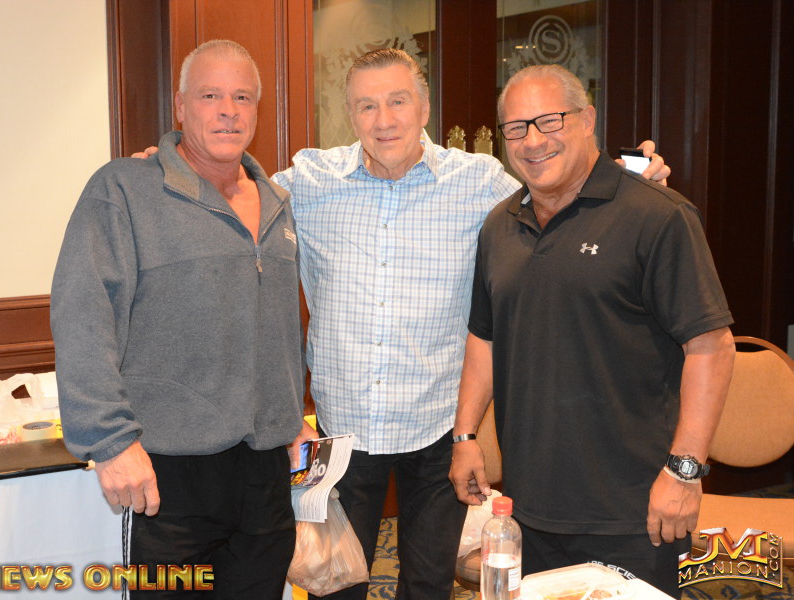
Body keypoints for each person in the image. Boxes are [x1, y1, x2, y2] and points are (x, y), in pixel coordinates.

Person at [134, 48, 667, 599]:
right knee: (335, 585)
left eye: (398, 101)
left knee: (428, 586)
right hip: (343, 432)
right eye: (366, 106)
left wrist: (632, 180)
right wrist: (170, 167)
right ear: (349, 114)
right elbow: (229, 192)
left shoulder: (480, 181)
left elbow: (560, 189)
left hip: (437, 429)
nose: (383, 120)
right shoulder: (309, 181)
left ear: (425, 108)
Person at [448, 64, 735, 598]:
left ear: (587, 120)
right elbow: (484, 338)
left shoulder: (658, 216)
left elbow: (711, 347)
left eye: (549, 120)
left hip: (635, 509)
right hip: (528, 507)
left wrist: (685, 471)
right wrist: (465, 436)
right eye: (516, 127)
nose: (533, 141)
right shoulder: (498, 226)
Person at [51, 40, 311, 599]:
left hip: (264, 474)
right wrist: (109, 440)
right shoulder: (123, 189)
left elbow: (278, 327)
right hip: (165, 476)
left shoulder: (277, 202)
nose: (228, 111)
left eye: (242, 97)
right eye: (210, 95)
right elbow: (83, 314)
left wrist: (290, 416)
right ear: (180, 105)